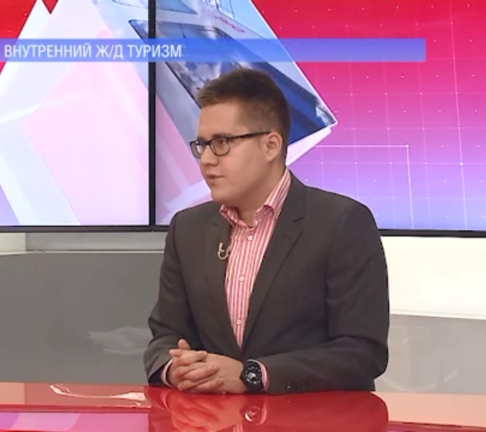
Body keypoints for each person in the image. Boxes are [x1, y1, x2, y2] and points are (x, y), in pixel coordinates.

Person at [144, 68, 389, 395]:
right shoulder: (187, 229)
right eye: (202, 145)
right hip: (212, 417)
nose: (206, 160)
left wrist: (253, 374)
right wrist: (176, 368)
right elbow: (165, 336)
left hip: (307, 417)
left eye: (222, 143)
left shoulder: (342, 223)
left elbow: (363, 352)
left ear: (271, 145)